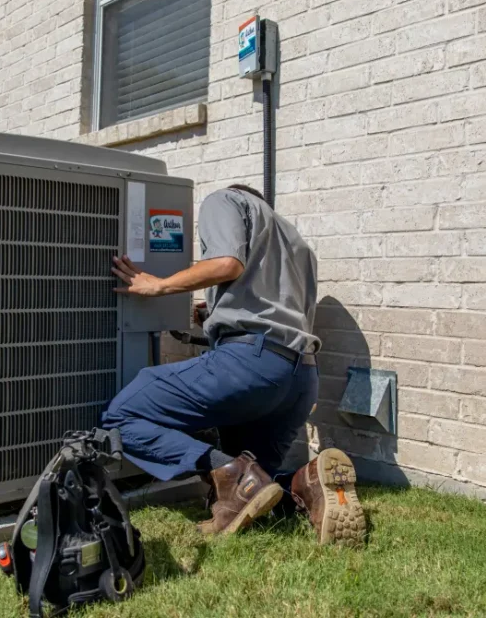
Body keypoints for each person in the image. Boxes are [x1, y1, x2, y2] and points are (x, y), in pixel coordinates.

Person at [102, 184, 365, 544]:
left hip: (251, 366)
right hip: (300, 376)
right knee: (260, 487)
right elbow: (275, 306)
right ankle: (307, 484)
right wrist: (216, 315)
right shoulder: (294, 239)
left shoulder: (226, 200)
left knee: (123, 417)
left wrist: (158, 286)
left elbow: (227, 263)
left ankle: (231, 473)